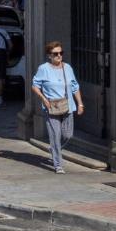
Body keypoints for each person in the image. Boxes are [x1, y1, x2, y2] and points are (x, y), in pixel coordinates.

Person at [32, 41, 83, 174]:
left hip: (68, 106)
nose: (59, 56)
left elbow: (75, 87)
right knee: (55, 136)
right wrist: (44, 99)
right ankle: (58, 164)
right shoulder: (44, 69)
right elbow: (35, 86)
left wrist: (80, 103)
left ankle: (55, 149)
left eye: (61, 53)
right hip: (51, 107)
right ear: (49, 55)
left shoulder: (67, 68)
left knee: (68, 135)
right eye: (55, 54)